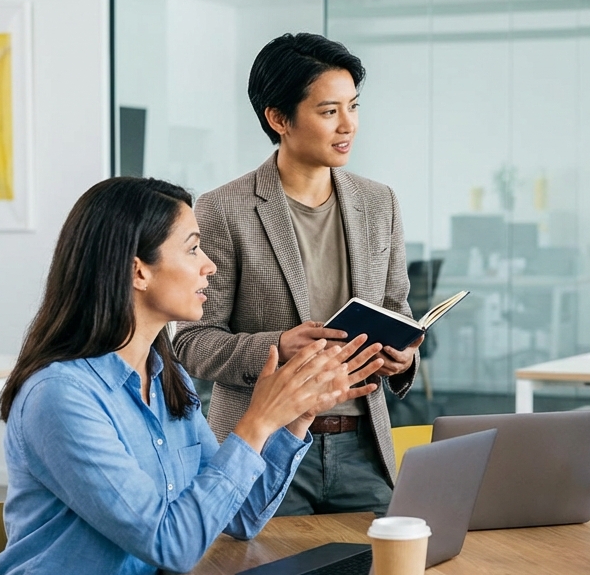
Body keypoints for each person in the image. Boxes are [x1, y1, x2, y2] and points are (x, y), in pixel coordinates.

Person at [0, 177, 386, 575]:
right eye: (192, 248)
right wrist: (255, 422)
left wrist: (297, 418)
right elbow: (172, 544)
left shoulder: (167, 376)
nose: (208, 265)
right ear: (138, 269)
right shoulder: (61, 396)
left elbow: (238, 518)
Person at [174, 33, 418, 517]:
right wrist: (276, 346)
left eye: (353, 106)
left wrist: (404, 360)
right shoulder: (223, 210)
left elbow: (399, 312)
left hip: (364, 450)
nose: (348, 125)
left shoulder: (379, 203)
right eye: (329, 111)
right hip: (266, 449)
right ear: (279, 118)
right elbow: (192, 341)